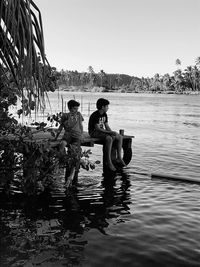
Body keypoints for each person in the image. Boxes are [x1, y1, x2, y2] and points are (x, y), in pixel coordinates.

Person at [88, 98, 126, 172]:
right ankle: (109, 162)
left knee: (119, 137)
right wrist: (109, 133)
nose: (108, 108)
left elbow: (107, 126)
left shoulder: (105, 114)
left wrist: (112, 132)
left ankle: (119, 158)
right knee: (109, 138)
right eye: (107, 106)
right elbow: (97, 129)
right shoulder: (95, 115)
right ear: (102, 107)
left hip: (102, 132)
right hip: (94, 132)